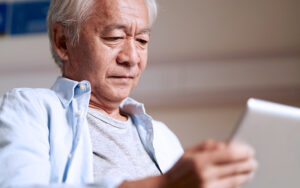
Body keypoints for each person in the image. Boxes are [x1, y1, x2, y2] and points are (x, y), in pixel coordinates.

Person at [0, 0, 257, 187]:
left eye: (142, 41)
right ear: (63, 41)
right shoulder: (29, 108)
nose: (132, 58)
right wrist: (164, 185)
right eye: (114, 37)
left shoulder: (163, 137)